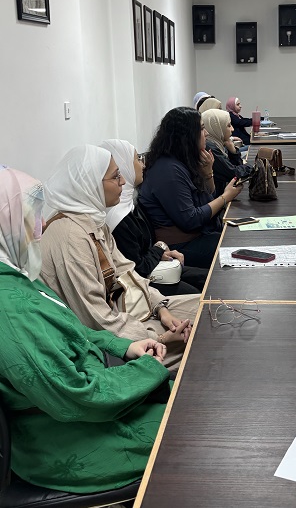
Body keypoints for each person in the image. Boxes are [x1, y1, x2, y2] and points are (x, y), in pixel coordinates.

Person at [0, 165, 171, 493]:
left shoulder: (15, 276)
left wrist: (123, 347)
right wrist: (147, 370)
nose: (41, 226)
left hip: (85, 407)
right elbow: (76, 395)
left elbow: (70, 328)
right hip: (65, 437)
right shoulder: (9, 307)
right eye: (31, 216)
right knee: (194, 427)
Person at [40, 145, 200, 369]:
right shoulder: (70, 237)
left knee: (205, 307)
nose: (123, 181)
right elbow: (96, 319)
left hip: (124, 316)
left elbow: (128, 273)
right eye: (115, 176)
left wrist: (161, 309)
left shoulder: (94, 222)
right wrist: (158, 338)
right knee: (198, 338)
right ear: (90, 184)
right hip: (104, 345)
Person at [139, 107, 242, 269]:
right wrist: (225, 197)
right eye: (201, 129)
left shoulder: (182, 161)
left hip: (197, 235)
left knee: (238, 237)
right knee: (235, 247)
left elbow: (206, 202)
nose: (206, 133)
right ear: (186, 135)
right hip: (180, 246)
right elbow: (191, 220)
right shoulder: (168, 170)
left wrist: (208, 174)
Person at [101, 139, 208, 294]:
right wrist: (159, 249)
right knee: (201, 292)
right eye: (137, 159)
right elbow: (139, 268)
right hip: (144, 282)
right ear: (124, 166)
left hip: (154, 268)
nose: (143, 165)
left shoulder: (128, 204)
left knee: (208, 279)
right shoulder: (117, 218)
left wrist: (159, 252)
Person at [201, 109, 253, 197]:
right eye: (228, 125)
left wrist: (233, 151)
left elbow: (235, 166)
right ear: (217, 127)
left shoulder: (218, 144)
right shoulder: (210, 148)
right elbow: (233, 174)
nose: (232, 129)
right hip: (218, 199)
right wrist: (251, 167)